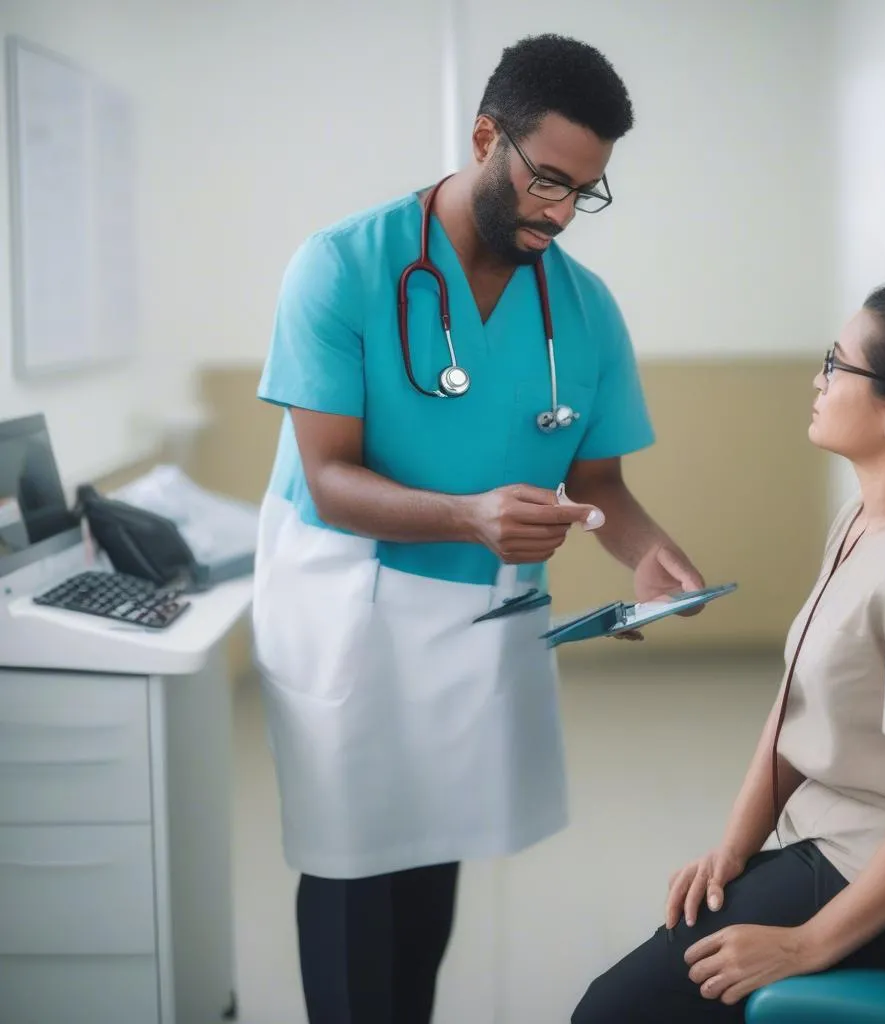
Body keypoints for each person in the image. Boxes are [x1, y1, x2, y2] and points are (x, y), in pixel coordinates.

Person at [252, 33, 705, 1024]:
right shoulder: (341, 266)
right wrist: (468, 514)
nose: (559, 212)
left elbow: (599, 483)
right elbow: (328, 480)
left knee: (431, 856)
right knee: (353, 864)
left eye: (584, 192)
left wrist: (649, 556)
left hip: (481, 612)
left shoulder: (580, 307)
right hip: (349, 600)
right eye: (547, 180)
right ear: (484, 136)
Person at [572, 282, 885, 1022]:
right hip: (820, 840)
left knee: (611, 1013)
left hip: (879, 882)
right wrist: (733, 847)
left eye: (836, 365)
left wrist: (804, 946)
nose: (817, 380)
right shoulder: (861, 519)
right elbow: (792, 707)